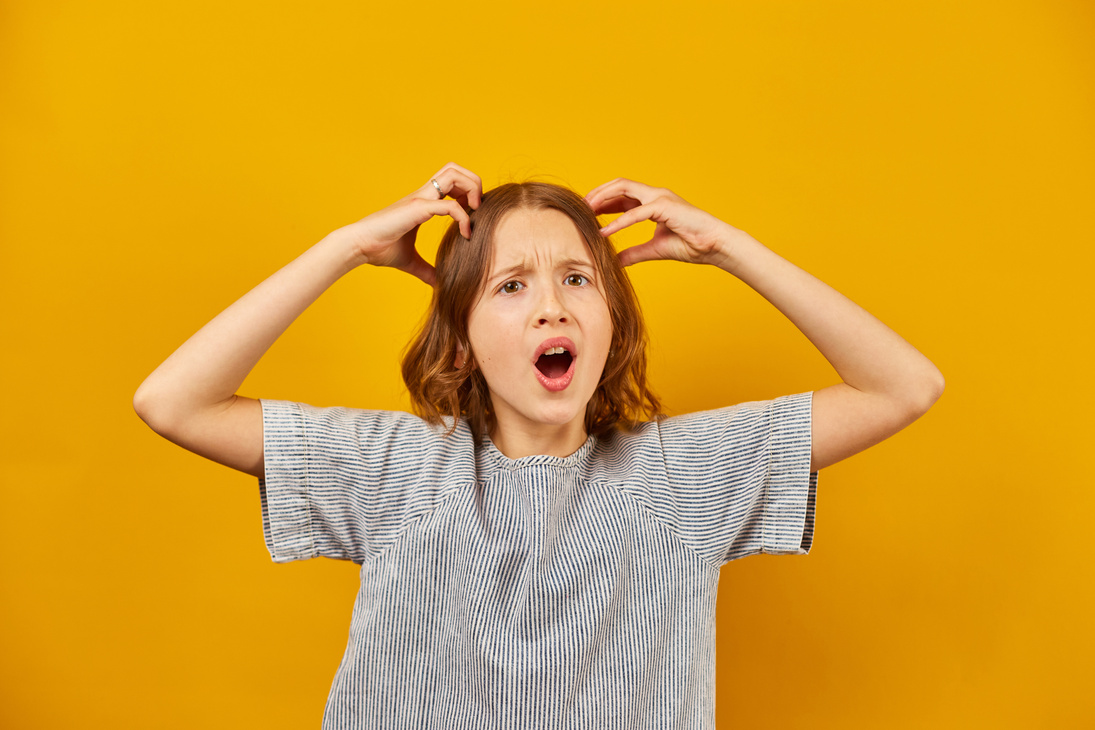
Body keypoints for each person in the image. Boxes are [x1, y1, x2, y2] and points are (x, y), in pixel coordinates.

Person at [133, 161, 944, 728]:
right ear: (460, 343)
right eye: (510, 285)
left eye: (577, 279)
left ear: (611, 325)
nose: (550, 307)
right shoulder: (399, 472)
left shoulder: (677, 475)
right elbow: (173, 401)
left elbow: (902, 387)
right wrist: (347, 248)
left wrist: (726, 247)